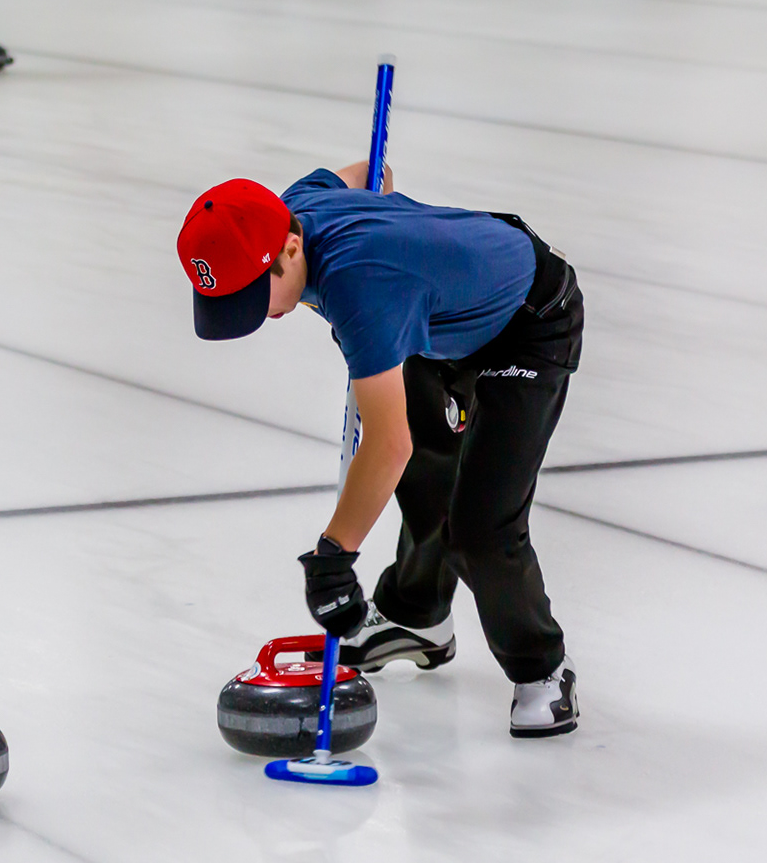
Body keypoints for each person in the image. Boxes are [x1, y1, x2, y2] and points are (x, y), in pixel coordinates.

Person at [176, 163, 583, 737]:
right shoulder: (297, 204)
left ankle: (544, 670)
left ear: (291, 248)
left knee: (481, 526)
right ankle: (418, 615)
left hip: (528, 317)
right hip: (435, 311)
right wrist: (379, 191)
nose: (256, 315)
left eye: (253, 295)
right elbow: (371, 171)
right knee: (424, 472)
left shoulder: (360, 290)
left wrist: (333, 557)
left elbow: (387, 445)